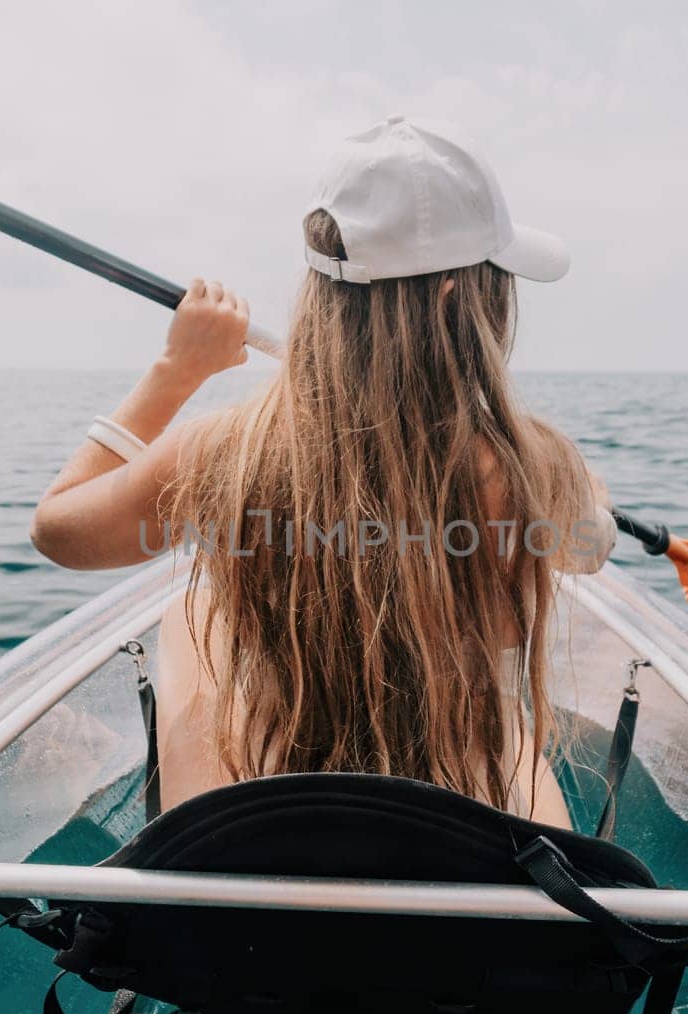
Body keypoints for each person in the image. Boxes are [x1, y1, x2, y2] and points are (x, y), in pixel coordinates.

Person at [31, 116, 615, 828]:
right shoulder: (536, 468)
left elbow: (59, 529)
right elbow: (591, 546)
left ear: (321, 289)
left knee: (196, 612)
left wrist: (174, 373)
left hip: (276, 829)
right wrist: (575, 487)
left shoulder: (221, 456)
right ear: (462, 301)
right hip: (464, 832)